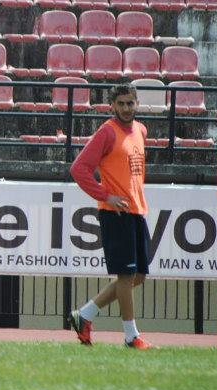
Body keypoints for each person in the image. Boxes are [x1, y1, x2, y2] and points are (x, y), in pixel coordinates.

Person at [66, 84, 152, 349]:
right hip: (116, 213)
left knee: (138, 276)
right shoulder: (107, 132)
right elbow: (79, 169)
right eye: (121, 104)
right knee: (126, 275)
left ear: (137, 104)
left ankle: (85, 314)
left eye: (130, 103)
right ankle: (131, 336)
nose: (126, 108)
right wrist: (106, 196)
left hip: (136, 210)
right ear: (112, 106)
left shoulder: (141, 130)